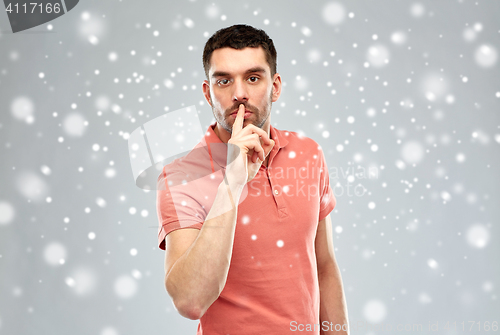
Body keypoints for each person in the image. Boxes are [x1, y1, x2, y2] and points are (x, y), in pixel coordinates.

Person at [156, 24, 349, 334]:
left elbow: (324, 265)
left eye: (253, 78)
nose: (239, 94)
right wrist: (231, 182)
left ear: (275, 86)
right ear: (208, 93)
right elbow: (190, 301)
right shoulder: (181, 177)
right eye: (223, 81)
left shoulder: (308, 153)